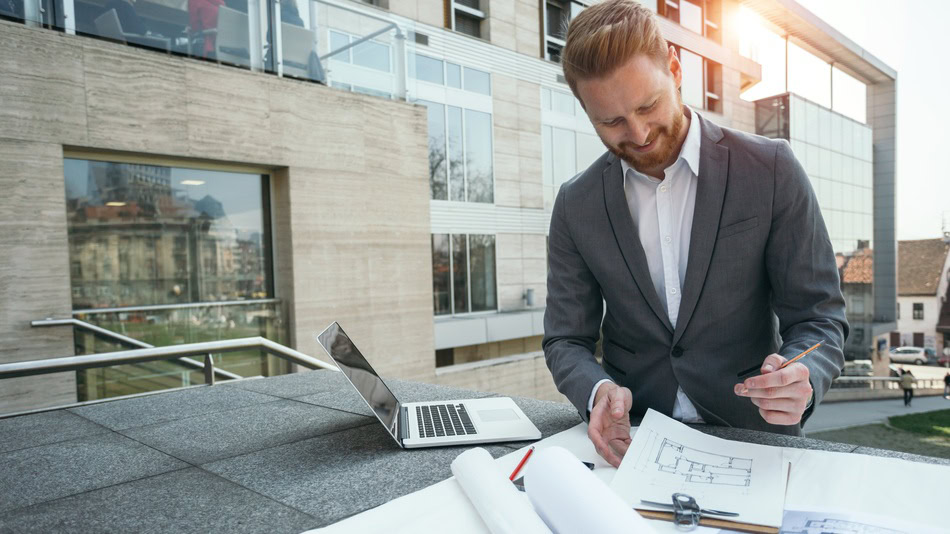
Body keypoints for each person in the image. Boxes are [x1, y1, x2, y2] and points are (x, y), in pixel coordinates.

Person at [542, 0, 848, 467]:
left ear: (675, 68)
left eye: (648, 105)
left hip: (754, 440)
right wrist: (597, 390)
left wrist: (803, 374)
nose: (640, 133)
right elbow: (566, 339)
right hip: (635, 443)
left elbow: (820, 316)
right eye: (612, 122)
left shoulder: (772, 169)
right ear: (586, 112)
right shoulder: (575, 204)